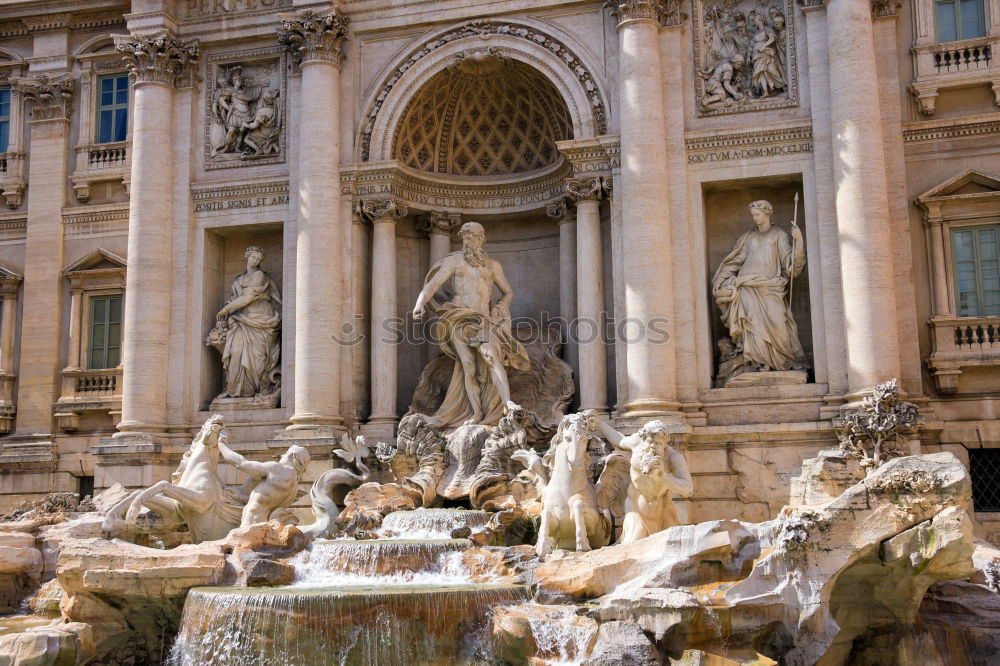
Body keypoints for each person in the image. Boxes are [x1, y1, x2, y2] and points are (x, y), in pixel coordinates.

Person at [412, 221, 530, 427]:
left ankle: (507, 402)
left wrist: (500, 307)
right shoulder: (455, 262)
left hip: (484, 319)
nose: (470, 239)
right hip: (458, 317)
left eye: (474, 236)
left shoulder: (493, 266)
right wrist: (420, 303)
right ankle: (476, 413)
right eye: (466, 236)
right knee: (467, 365)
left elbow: (508, 292)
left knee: (490, 355)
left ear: (482, 238)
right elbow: (433, 284)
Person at [712, 200, 807, 378]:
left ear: (767, 214)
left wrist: (799, 240)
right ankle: (755, 363)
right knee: (752, 326)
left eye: (758, 214)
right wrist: (722, 279)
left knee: (779, 324)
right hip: (747, 287)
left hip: (771, 287)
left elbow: (791, 266)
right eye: (753, 215)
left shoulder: (778, 235)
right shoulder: (748, 237)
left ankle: (780, 361)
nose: (755, 218)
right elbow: (735, 261)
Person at [593, 418, 693, 543]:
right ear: (643, 438)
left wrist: (662, 476)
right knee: (634, 543)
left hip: (663, 513)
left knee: (673, 547)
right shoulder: (636, 443)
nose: (652, 446)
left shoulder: (674, 458)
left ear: (665, 442)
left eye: (658, 443)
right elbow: (619, 440)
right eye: (650, 441)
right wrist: (599, 423)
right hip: (635, 511)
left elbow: (688, 489)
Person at [211, 246, 281, 399]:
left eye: (259, 259)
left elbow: (248, 297)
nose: (255, 261)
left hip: (260, 318)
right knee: (235, 353)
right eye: (253, 257)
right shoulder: (239, 279)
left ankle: (255, 390)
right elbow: (234, 298)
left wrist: (226, 309)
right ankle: (234, 389)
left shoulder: (259, 275)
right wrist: (229, 310)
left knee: (257, 358)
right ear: (247, 256)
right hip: (241, 319)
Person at [217, 439, 310, 527]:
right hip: (263, 526)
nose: (282, 456)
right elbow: (264, 501)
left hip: (251, 524)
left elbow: (241, 463)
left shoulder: (277, 469)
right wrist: (240, 497)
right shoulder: (294, 489)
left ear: (291, 456)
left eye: (285, 453)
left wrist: (221, 444)